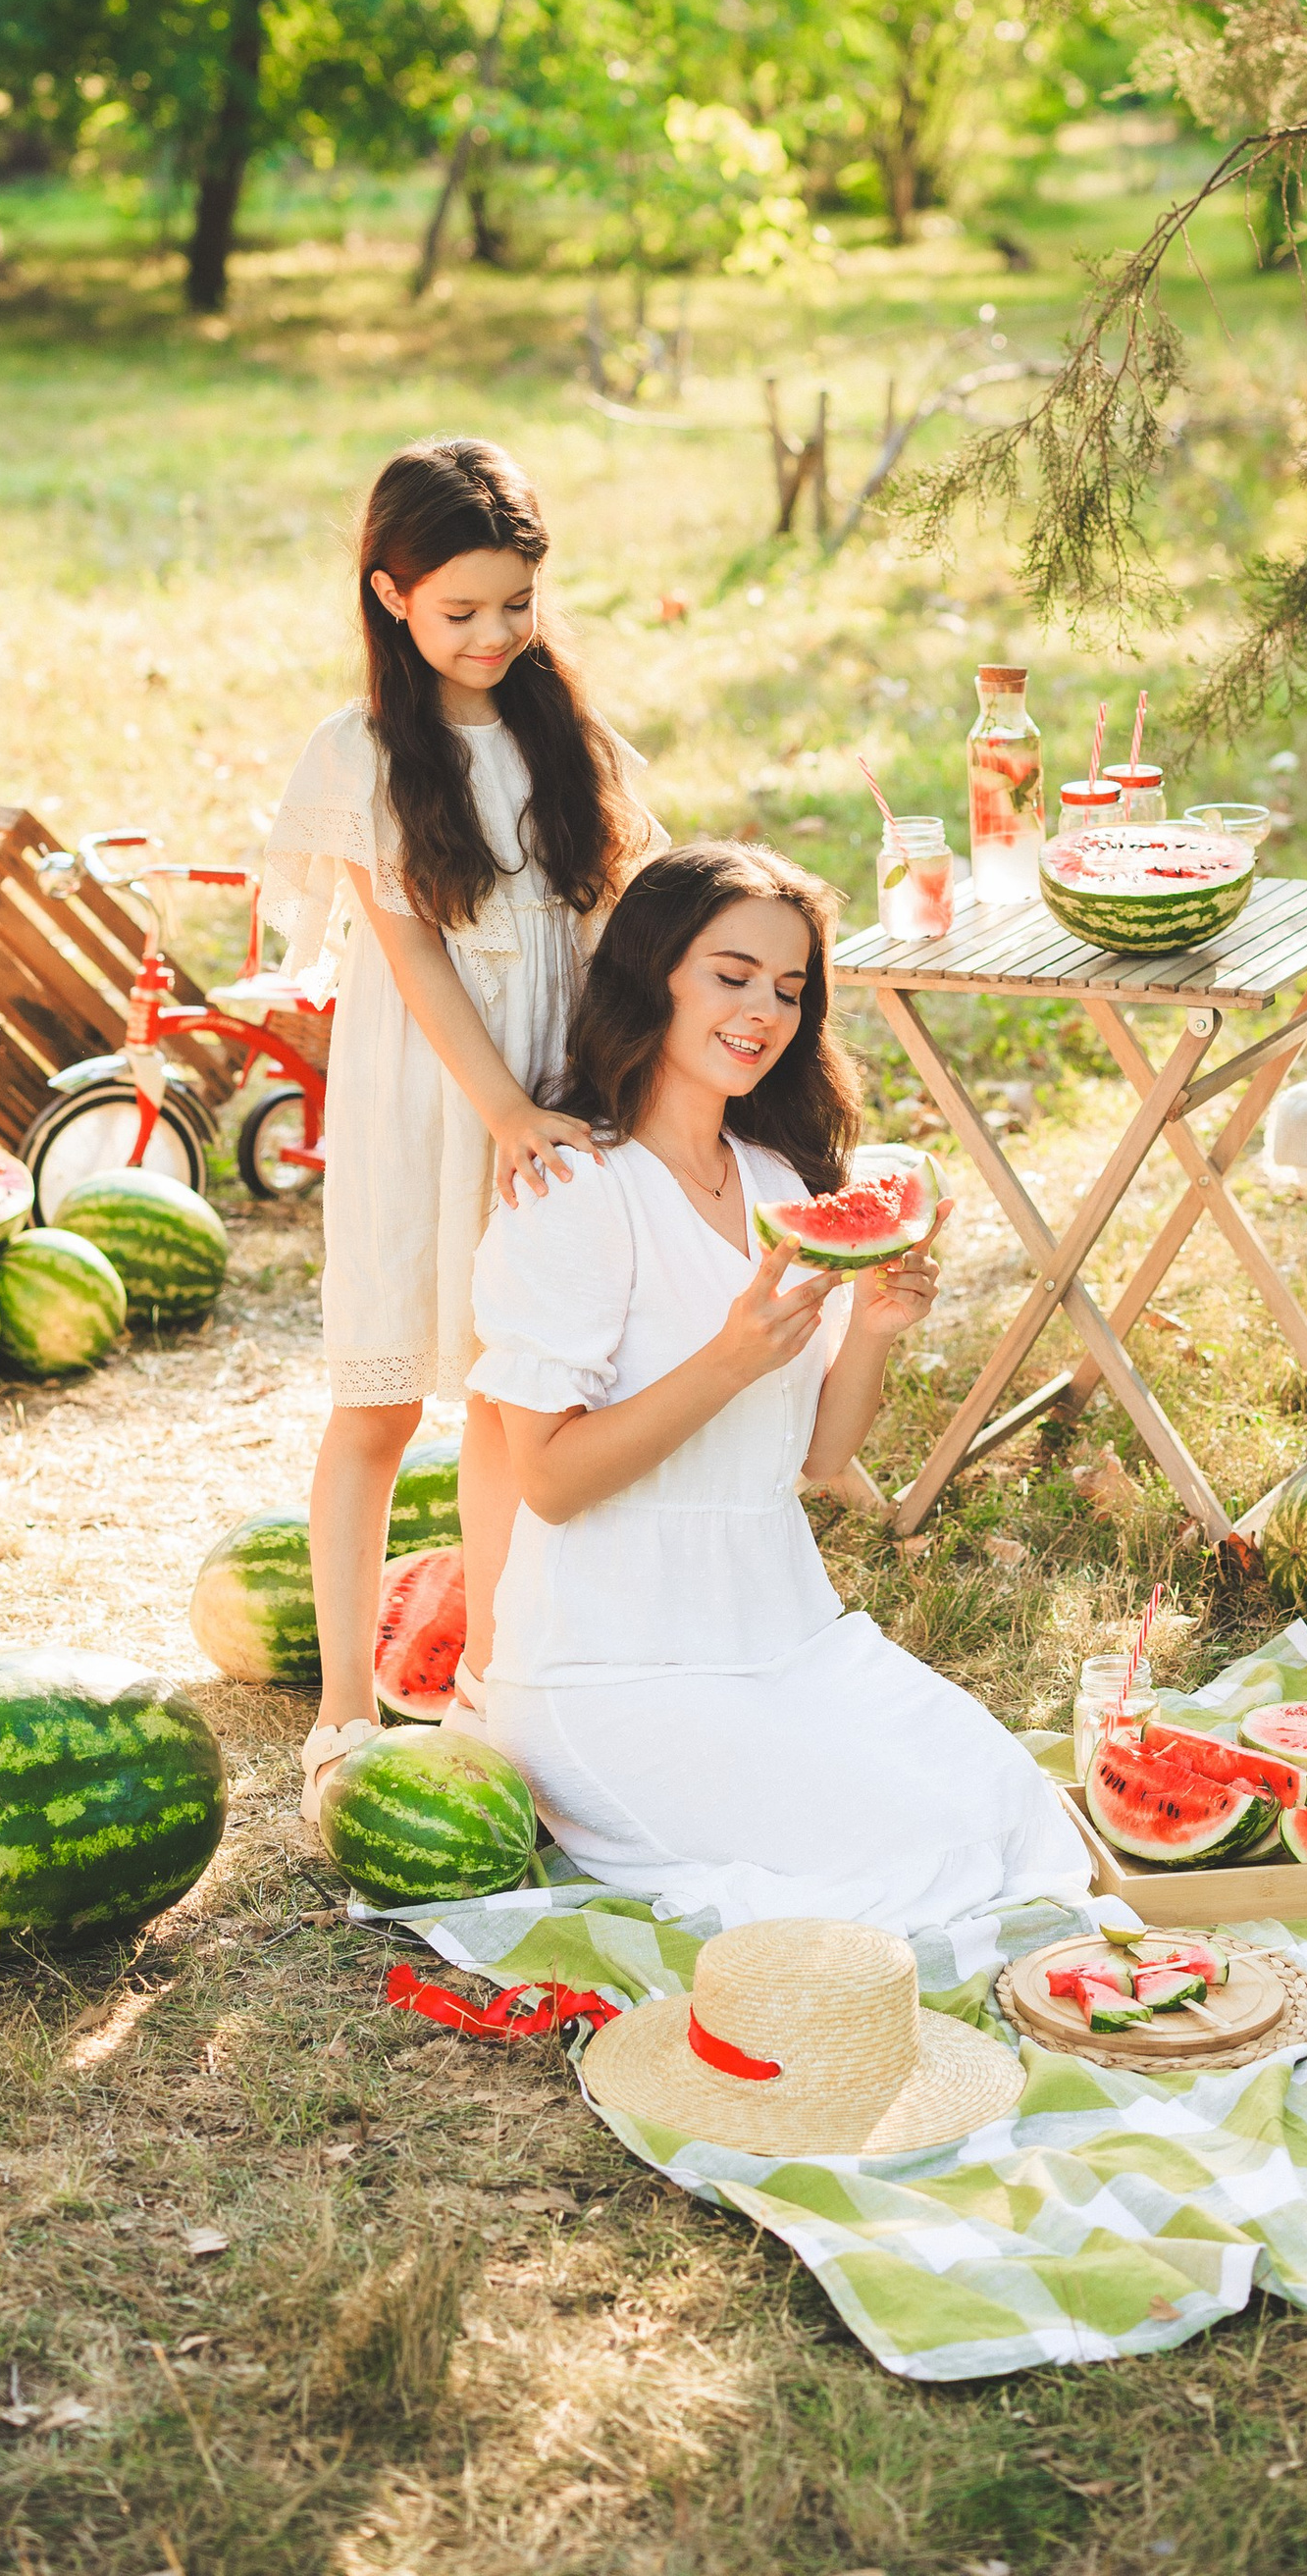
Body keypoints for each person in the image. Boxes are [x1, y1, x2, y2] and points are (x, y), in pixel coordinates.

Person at [464, 841, 1093, 1932]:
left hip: (785, 1637)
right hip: (613, 1671)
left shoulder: (775, 1182)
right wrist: (725, 1363)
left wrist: (875, 1333)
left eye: (791, 989)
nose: (764, 1010)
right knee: (915, 1867)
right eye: (732, 973)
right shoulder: (574, 1190)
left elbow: (816, 1457)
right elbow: (551, 1482)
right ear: (653, 972)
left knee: (1007, 1812)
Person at [263, 437, 656, 1822]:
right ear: (389, 595)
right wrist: (503, 1108)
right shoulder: (362, 752)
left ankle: (495, 1670)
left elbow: (620, 920)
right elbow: (415, 956)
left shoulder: (571, 741)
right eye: (460, 610)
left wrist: (596, 1097)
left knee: (515, 1391)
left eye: (515, 604)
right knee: (379, 1395)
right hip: (430, 1095)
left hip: (558, 1100)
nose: (493, 635)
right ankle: (344, 1702)